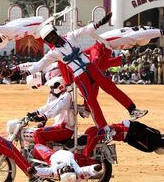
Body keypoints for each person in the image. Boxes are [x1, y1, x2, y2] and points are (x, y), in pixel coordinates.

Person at [12, 15, 147, 143]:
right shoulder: (53, 53)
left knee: (110, 87)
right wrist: (23, 73)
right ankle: (104, 129)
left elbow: (85, 30)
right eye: (49, 38)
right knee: (91, 101)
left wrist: (99, 23)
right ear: (47, 41)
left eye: (53, 35)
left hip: (89, 67)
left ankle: (132, 109)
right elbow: (39, 64)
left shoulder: (70, 36)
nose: (53, 39)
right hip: (79, 76)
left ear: (56, 32)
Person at [84, 120, 164, 157]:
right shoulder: (152, 143)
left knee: (96, 133)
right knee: (93, 130)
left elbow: (158, 142)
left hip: (124, 131)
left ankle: (86, 155)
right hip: (124, 131)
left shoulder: (153, 143)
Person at [26, 77, 75, 145]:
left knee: (38, 134)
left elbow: (57, 107)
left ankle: (44, 154)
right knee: (36, 131)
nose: (51, 90)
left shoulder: (66, 96)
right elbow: (49, 106)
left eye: (52, 88)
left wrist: (44, 117)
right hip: (60, 127)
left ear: (60, 87)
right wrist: (35, 113)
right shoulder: (61, 95)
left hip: (65, 129)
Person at [32, 144, 103, 182]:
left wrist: (34, 170)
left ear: (61, 174)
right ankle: (97, 161)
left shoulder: (54, 172)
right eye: (70, 170)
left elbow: (44, 171)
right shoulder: (79, 174)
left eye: (66, 170)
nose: (68, 168)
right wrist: (95, 167)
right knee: (83, 159)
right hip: (72, 156)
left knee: (37, 146)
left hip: (51, 155)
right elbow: (87, 170)